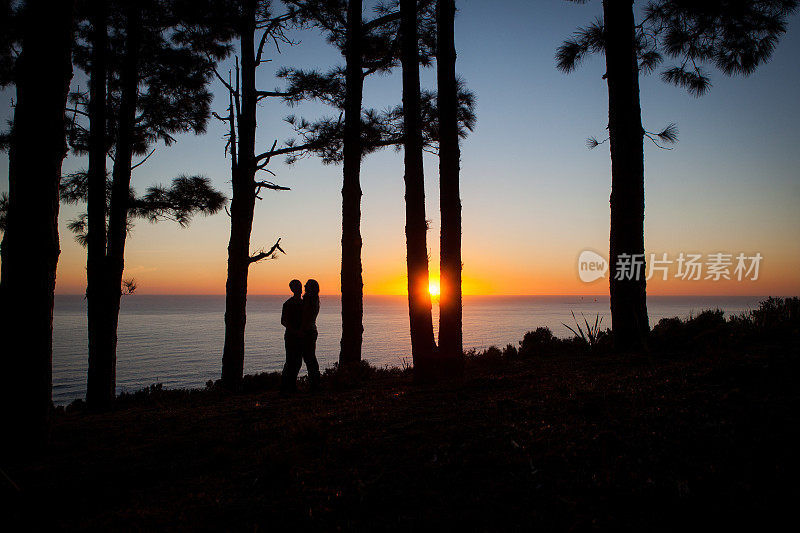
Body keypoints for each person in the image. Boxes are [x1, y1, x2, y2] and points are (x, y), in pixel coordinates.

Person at [280, 279, 304, 394]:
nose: (299, 288)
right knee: (290, 361)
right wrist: (295, 331)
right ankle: (286, 386)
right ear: (293, 289)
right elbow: (283, 321)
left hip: (298, 335)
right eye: (297, 287)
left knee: (297, 361)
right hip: (291, 336)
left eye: (300, 286)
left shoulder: (303, 303)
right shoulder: (288, 304)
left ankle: (291, 385)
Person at [300, 279, 321, 391]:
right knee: (310, 357)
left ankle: (314, 384)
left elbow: (305, 316)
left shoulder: (309, 299)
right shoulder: (315, 299)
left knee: (309, 358)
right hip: (312, 330)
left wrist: (301, 331)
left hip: (308, 331)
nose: (304, 286)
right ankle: (315, 382)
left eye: (307, 285)